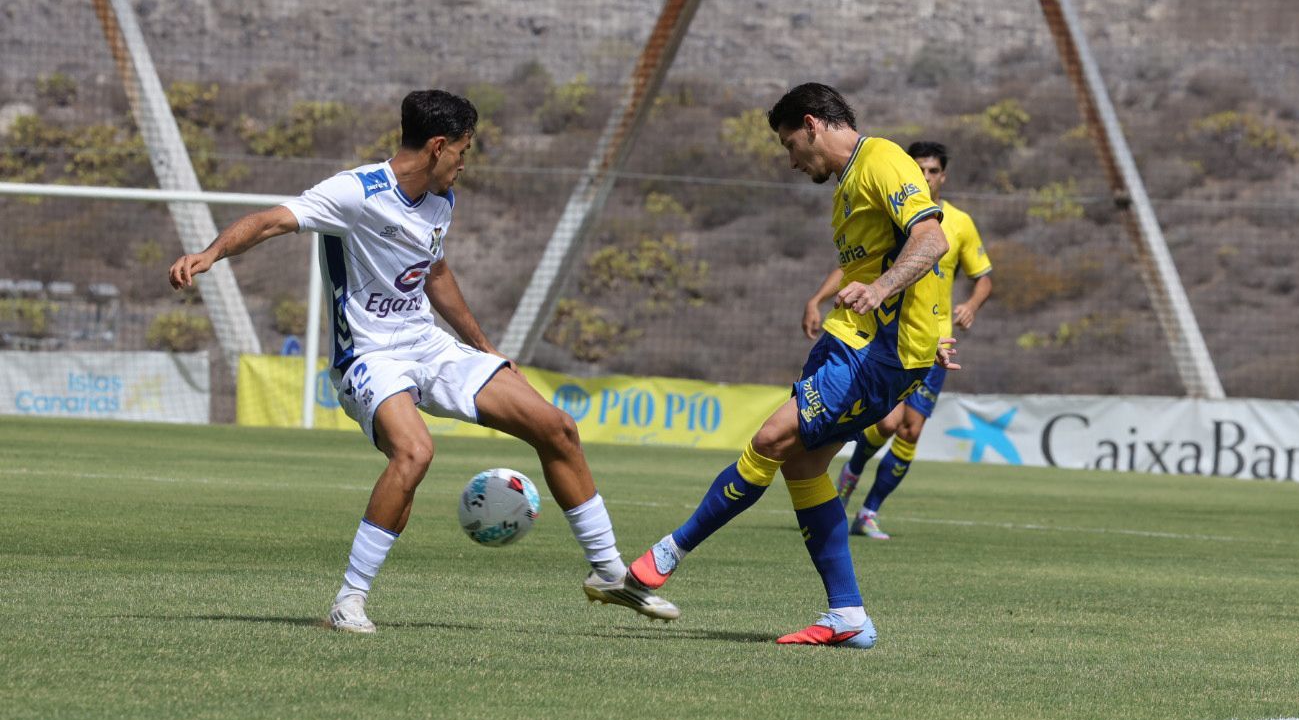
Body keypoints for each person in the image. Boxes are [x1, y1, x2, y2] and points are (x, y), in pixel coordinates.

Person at [167, 89, 677, 633]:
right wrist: (210, 254)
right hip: (368, 357)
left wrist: (484, 347)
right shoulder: (356, 191)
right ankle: (349, 601)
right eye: (462, 150)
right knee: (414, 452)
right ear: (437, 146)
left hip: (428, 345)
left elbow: (434, 272)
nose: (464, 163)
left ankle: (609, 572)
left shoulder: (440, 200)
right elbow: (271, 220)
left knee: (557, 427)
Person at [625, 83, 955, 648]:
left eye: (789, 145)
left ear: (811, 124)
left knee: (772, 439)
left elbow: (932, 239)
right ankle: (847, 615)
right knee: (802, 466)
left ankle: (662, 558)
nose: (791, 161)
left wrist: (882, 290)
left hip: (878, 353)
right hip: (851, 342)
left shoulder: (882, 160)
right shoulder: (850, 184)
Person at [803, 140, 993, 539]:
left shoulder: (959, 223)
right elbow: (854, 265)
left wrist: (972, 305)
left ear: (943, 177)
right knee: (888, 423)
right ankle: (851, 474)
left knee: (910, 431)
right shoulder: (894, 208)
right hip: (890, 336)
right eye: (919, 169)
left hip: (935, 340)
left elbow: (983, 278)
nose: (925, 176)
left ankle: (869, 511)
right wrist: (816, 299)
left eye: (933, 171)